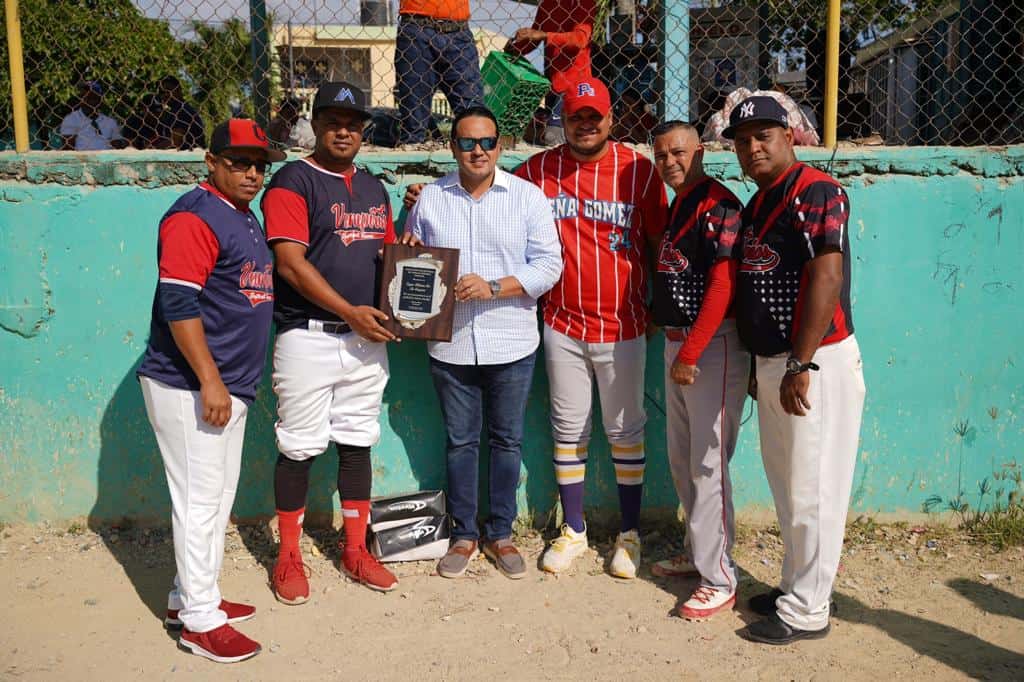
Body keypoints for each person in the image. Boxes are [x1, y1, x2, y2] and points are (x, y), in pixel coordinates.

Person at [136, 119, 284, 663]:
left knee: (217, 496)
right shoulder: (193, 216)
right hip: (189, 384)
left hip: (226, 384)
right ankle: (199, 622)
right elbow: (178, 304)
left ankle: (189, 597)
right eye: (238, 161)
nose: (251, 172)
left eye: (258, 164)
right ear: (211, 161)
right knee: (199, 500)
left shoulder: (241, 215)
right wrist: (210, 380)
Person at [723, 96, 866, 644]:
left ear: (788, 136)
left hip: (815, 361)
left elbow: (827, 280)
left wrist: (800, 362)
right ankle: (794, 588)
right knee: (787, 483)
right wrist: (770, 367)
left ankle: (809, 610)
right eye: (742, 140)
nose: (753, 147)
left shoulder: (817, 191)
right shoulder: (760, 203)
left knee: (815, 488)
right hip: (778, 364)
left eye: (764, 135)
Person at [517, 77, 667, 578]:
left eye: (594, 115)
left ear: (610, 118)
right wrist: (432, 192)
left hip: (623, 324)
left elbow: (661, 244)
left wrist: (658, 310)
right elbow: (489, 189)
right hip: (561, 322)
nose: (586, 123)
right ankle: (574, 530)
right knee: (568, 428)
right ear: (565, 117)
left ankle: (629, 534)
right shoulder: (538, 170)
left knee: (625, 429)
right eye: (576, 114)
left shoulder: (639, 171)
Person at [404, 106, 562, 580]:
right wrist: (408, 246)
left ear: (501, 146)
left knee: (506, 440)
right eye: (467, 143)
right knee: (459, 442)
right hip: (450, 344)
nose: (478, 151)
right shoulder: (430, 199)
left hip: (510, 341)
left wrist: (495, 286)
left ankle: (501, 532)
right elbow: (413, 259)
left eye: (487, 142)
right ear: (453, 148)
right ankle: (464, 534)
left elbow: (549, 266)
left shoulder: (527, 198)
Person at [261, 82, 400, 604]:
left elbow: (389, 261)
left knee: (358, 440)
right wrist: (349, 313)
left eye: (354, 121)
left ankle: (356, 548)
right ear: (315, 124)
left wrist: (409, 307)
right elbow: (291, 264)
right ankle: (289, 554)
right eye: (334, 120)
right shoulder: (292, 181)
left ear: (364, 128)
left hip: (366, 340)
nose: (345, 130)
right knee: (298, 446)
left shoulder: (373, 188)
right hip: (308, 336)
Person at [646, 121, 748, 620]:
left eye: (679, 152)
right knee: (683, 459)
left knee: (709, 467)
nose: (670, 162)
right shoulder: (680, 203)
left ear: (700, 151)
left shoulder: (720, 203)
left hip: (710, 348)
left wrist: (691, 353)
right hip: (679, 345)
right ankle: (700, 551)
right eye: (661, 155)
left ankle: (721, 577)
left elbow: (722, 287)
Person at [395, 0, 484, 146]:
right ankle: (412, 157)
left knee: (473, 114)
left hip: (457, 30)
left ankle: (475, 147)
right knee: (414, 115)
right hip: (417, 27)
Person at [505, 0, 596, 99]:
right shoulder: (547, 3)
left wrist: (545, 35)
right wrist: (516, 48)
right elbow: (534, 37)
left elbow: (579, 39)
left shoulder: (583, 2)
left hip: (576, 84)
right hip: (551, 83)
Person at [59, 81, 128, 150]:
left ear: (100, 100)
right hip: (82, 159)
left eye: (92, 98)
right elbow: (68, 147)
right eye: (84, 97)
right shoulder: (72, 119)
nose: (87, 101)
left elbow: (117, 144)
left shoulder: (110, 122)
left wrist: (118, 143)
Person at [156, 76, 206, 150]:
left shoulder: (182, 111)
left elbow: (175, 142)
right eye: (162, 92)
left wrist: (152, 149)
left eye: (169, 90)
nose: (165, 94)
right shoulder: (175, 110)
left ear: (179, 90)